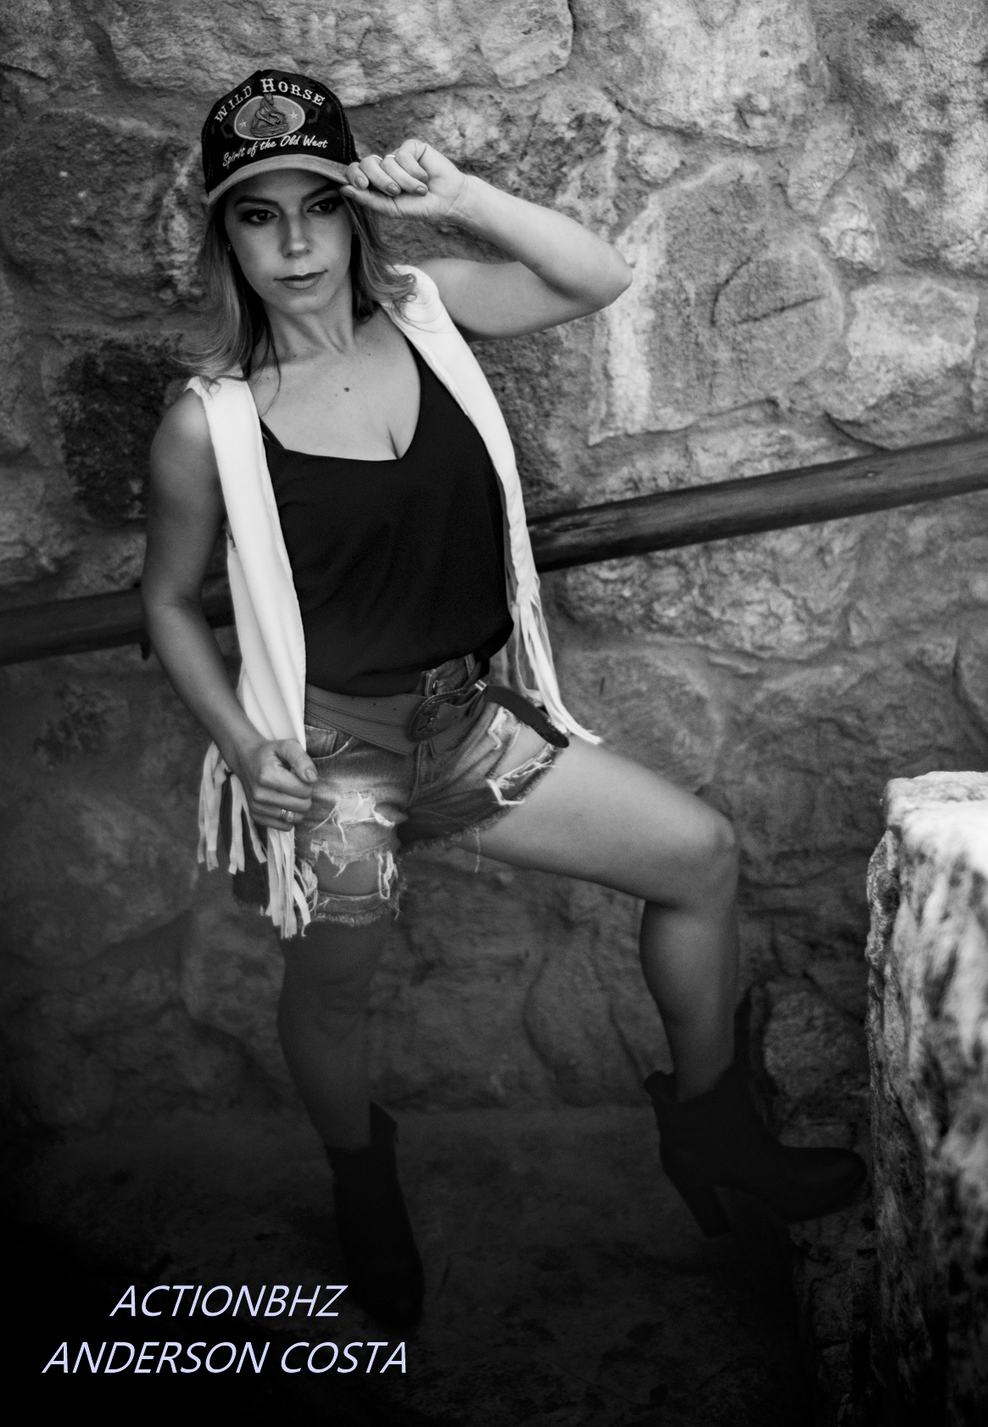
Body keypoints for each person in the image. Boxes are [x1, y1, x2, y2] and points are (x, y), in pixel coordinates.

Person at [141, 68, 866, 1330]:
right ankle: (363, 1178)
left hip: (471, 726)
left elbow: (597, 276)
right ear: (226, 238)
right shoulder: (211, 423)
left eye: (320, 205)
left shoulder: (427, 309)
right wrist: (245, 743)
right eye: (260, 215)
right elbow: (164, 602)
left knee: (698, 856)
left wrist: (461, 195)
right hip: (336, 760)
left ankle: (709, 1127)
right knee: (333, 989)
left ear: (357, 213)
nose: (297, 243)